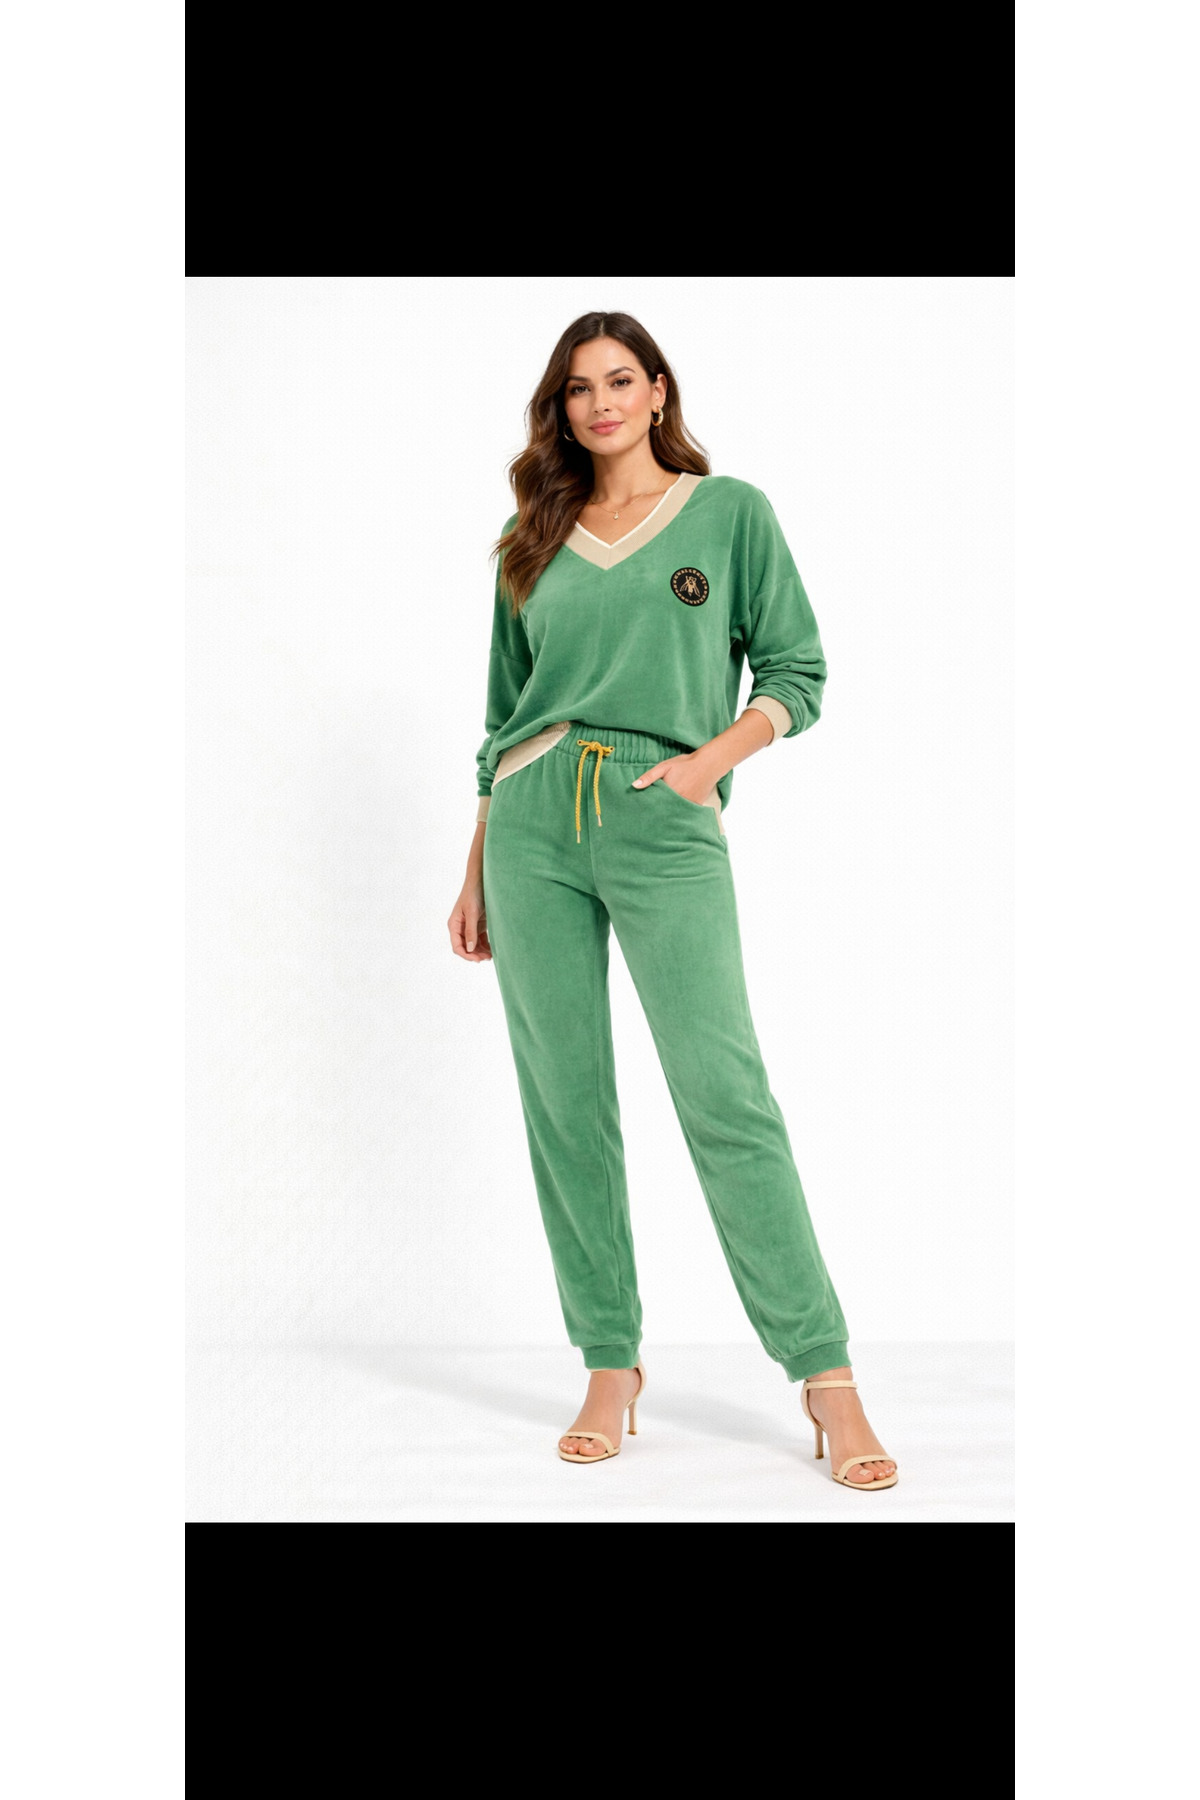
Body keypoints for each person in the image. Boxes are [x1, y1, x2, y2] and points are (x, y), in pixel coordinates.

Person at [448, 312, 897, 1490]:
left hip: (663, 818)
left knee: (724, 1095)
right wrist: (478, 858)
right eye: (577, 388)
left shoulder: (729, 513)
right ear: (561, 409)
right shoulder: (530, 537)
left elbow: (796, 670)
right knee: (565, 1103)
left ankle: (827, 1375)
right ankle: (610, 1362)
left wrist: (707, 766)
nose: (599, 402)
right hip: (532, 824)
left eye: (619, 380)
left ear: (657, 392)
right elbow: (501, 714)